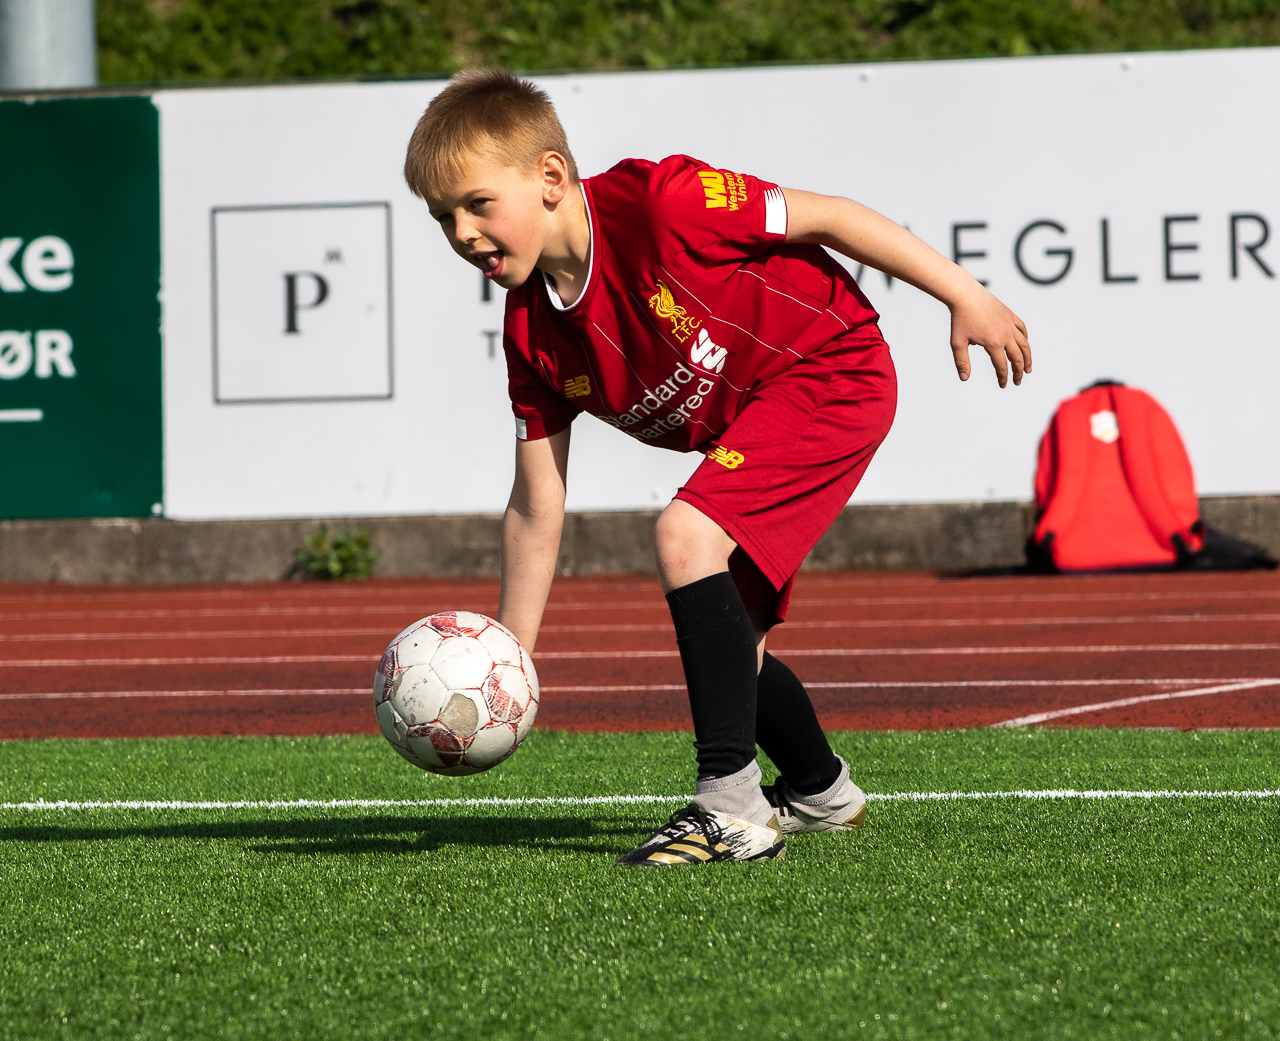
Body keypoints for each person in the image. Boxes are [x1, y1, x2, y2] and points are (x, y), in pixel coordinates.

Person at [404, 68, 1031, 867]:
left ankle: (729, 803)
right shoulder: (532, 336)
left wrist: (962, 293)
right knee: (742, 647)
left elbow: (832, 217)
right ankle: (819, 790)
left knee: (684, 534)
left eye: (477, 204)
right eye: (441, 217)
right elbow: (536, 504)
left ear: (551, 177)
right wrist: (510, 666)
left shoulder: (662, 203)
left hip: (831, 371)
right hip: (757, 419)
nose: (461, 232)